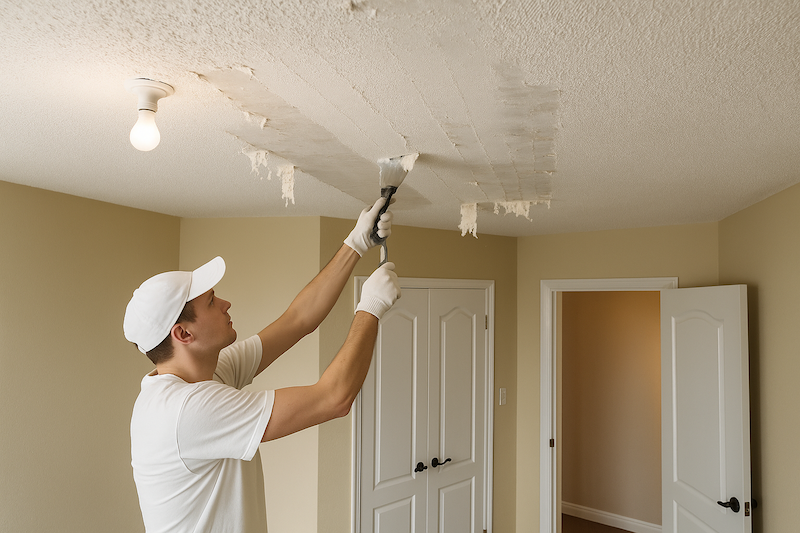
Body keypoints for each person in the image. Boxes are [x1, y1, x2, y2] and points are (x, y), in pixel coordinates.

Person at [123, 198, 400, 533]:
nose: (226, 303)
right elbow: (333, 398)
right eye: (211, 302)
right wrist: (370, 306)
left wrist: (356, 242)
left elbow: (297, 321)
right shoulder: (186, 409)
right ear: (183, 333)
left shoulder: (205, 374)